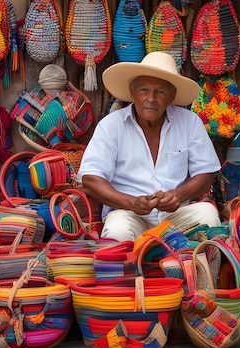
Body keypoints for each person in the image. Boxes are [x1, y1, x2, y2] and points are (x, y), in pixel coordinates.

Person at [77, 52, 222, 241]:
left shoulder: (190, 122)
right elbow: (91, 179)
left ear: (172, 95)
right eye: (144, 90)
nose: (151, 99)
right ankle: (130, 270)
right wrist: (131, 202)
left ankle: (197, 270)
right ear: (132, 92)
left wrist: (178, 194)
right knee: (117, 229)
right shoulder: (111, 125)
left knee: (208, 216)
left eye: (160, 91)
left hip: (177, 216)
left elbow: (205, 174)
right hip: (130, 214)